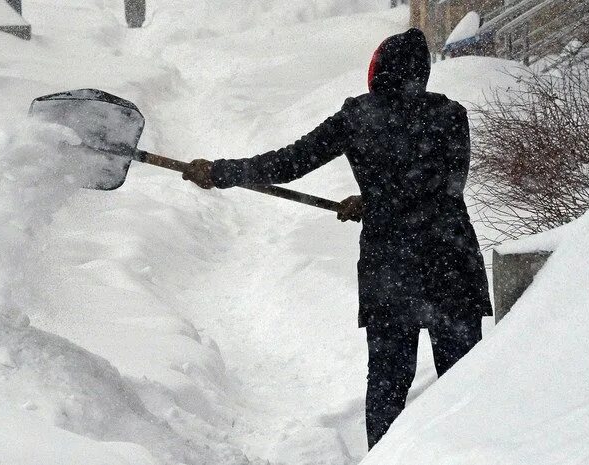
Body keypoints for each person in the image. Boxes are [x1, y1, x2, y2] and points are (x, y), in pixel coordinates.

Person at [182, 28, 492, 449]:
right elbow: (443, 186)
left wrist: (220, 172)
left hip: (392, 270)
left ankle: (386, 458)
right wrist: (376, 197)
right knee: (467, 386)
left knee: (388, 386)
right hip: (450, 262)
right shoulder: (451, 114)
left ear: (379, 70)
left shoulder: (358, 117)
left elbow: (289, 162)